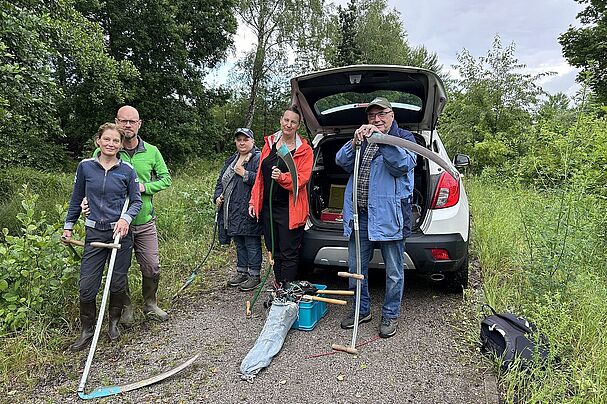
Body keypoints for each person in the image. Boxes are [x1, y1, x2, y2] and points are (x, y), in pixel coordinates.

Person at [335, 97, 416, 338]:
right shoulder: (362, 140)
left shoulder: (405, 138)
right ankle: (362, 310)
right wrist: (353, 142)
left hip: (389, 216)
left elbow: (401, 165)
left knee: (393, 271)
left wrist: (381, 141)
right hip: (360, 216)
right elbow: (341, 161)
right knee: (356, 267)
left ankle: (390, 315)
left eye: (381, 114)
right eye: (372, 116)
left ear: (392, 115)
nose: (376, 119)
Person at [82, 105, 172, 323]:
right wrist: (86, 201)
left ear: (139, 124)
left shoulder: (152, 151)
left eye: (132, 121)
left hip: (143, 220)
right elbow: (93, 180)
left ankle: (150, 304)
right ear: (117, 121)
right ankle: (126, 307)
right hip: (114, 224)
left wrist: (143, 187)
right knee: (118, 269)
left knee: (151, 265)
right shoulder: (108, 148)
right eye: (124, 121)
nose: (128, 125)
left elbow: (166, 179)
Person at [63, 123, 142, 351]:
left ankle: (113, 325)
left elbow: (136, 201)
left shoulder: (127, 170)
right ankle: (87, 330)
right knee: (87, 286)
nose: (111, 144)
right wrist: (69, 225)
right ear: (98, 140)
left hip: (119, 235)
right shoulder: (85, 167)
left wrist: (126, 219)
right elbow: (77, 197)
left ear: (120, 145)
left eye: (115, 141)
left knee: (117, 283)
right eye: (106, 139)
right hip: (95, 233)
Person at [248, 106, 313, 285]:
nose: (289, 125)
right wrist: (254, 201)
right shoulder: (269, 144)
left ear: (298, 126)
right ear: (281, 120)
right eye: (286, 120)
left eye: (293, 122)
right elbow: (260, 178)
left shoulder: (304, 150)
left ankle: (287, 290)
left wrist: (282, 177)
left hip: (290, 208)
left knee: (288, 252)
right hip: (269, 208)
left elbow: (302, 179)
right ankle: (279, 284)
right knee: (273, 250)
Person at [214, 128, 263, 291]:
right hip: (231, 210)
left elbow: (263, 181)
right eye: (239, 139)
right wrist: (218, 196)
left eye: (245, 139)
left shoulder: (258, 158)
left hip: (248, 208)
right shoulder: (231, 160)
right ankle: (242, 271)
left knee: (251, 242)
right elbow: (221, 182)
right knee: (239, 242)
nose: (242, 142)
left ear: (252, 141)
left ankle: (254, 275)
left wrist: (245, 174)